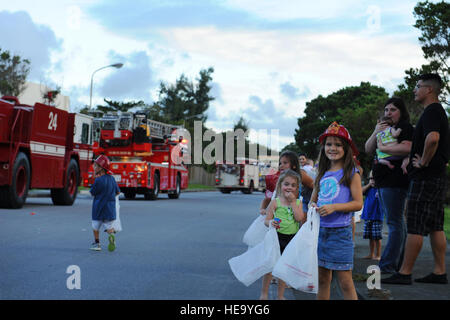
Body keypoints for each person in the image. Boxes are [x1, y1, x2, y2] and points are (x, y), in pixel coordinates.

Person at [382, 73, 449, 285]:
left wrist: (422, 162)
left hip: (425, 177)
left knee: (415, 225)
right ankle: (439, 272)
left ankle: (404, 272)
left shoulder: (431, 111)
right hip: (437, 177)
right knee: (436, 225)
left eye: (418, 86)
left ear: (429, 90)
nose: (414, 90)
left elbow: (433, 138)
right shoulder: (439, 112)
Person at [310, 122, 363, 300]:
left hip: (340, 233)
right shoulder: (321, 172)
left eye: (338, 144)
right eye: (329, 144)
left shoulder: (351, 172)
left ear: (346, 148)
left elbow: (358, 203)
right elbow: (313, 200)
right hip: (320, 232)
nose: (332, 148)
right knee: (323, 280)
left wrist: (334, 207)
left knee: (345, 281)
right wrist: (312, 206)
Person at [365, 97, 414, 274]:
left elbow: (408, 148)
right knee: (397, 223)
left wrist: (385, 149)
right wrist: (375, 131)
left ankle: (387, 264)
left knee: (395, 223)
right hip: (382, 181)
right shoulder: (383, 129)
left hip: (395, 181)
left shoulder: (405, 128)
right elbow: (368, 149)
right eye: (386, 110)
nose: (388, 113)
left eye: (392, 110)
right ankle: (398, 263)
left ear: (401, 112)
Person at [260, 169, 306, 300]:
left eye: (293, 185)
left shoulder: (298, 202)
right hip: (276, 237)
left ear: (297, 188)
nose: (289, 187)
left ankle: (280, 296)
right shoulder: (275, 202)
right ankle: (264, 293)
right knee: (270, 266)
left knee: (284, 268)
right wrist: (271, 222)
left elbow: (299, 218)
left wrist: (292, 203)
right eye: (286, 184)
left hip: (291, 239)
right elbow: (266, 220)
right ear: (280, 185)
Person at [90, 155, 121, 252]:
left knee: (95, 227)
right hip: (109, 209)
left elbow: (92, 192)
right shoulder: (112, 179)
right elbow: (118, 192)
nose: (94, 168)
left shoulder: (98, 180)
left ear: (101, 168)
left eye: (96, 166)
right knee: (109, 226)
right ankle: (111, 236)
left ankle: (97, 243)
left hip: (98, 208)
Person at [361, 172, 383, 260]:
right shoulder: (368, 189)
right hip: (368, 215)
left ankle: (378, 255)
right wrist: (369, 184)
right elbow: (360, 191)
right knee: (370, 237)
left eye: (374, 178)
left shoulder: (380, 189)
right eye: (371, 178)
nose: (372, 180)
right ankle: (371, 253)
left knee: (377, 237)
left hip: (377, 216)